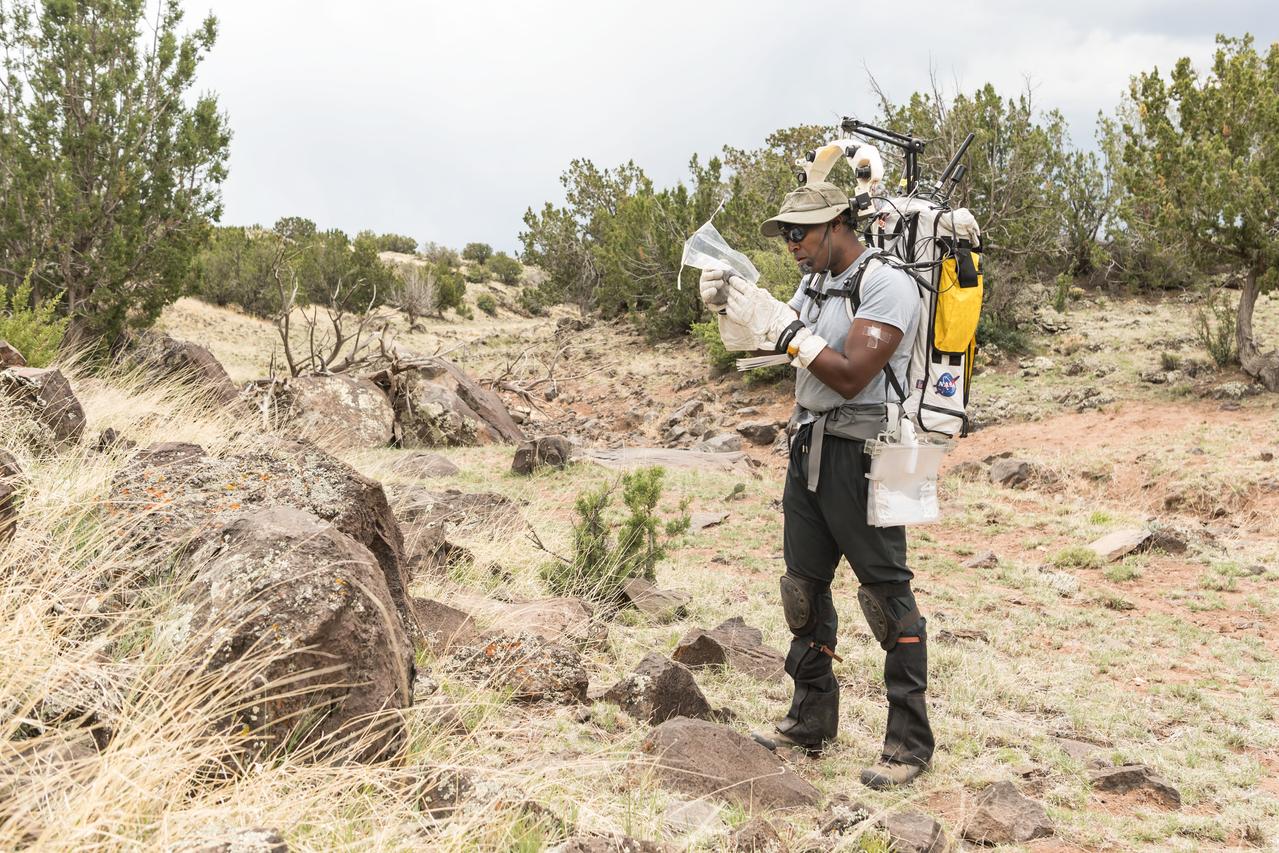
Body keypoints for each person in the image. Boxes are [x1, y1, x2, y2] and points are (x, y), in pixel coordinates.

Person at [699, 181, 933, 789]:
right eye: (785, 235)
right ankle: (810, 721)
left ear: (837, 225)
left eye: (800, 234)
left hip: (862, 454)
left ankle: (908, 745)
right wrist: (742, 310)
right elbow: (793, 351)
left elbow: (853, 374)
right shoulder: (816, 282)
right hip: (808, 444)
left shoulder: (888, 284)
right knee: (802, 590)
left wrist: (786, 330)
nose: (792, 246)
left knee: (886, 597)